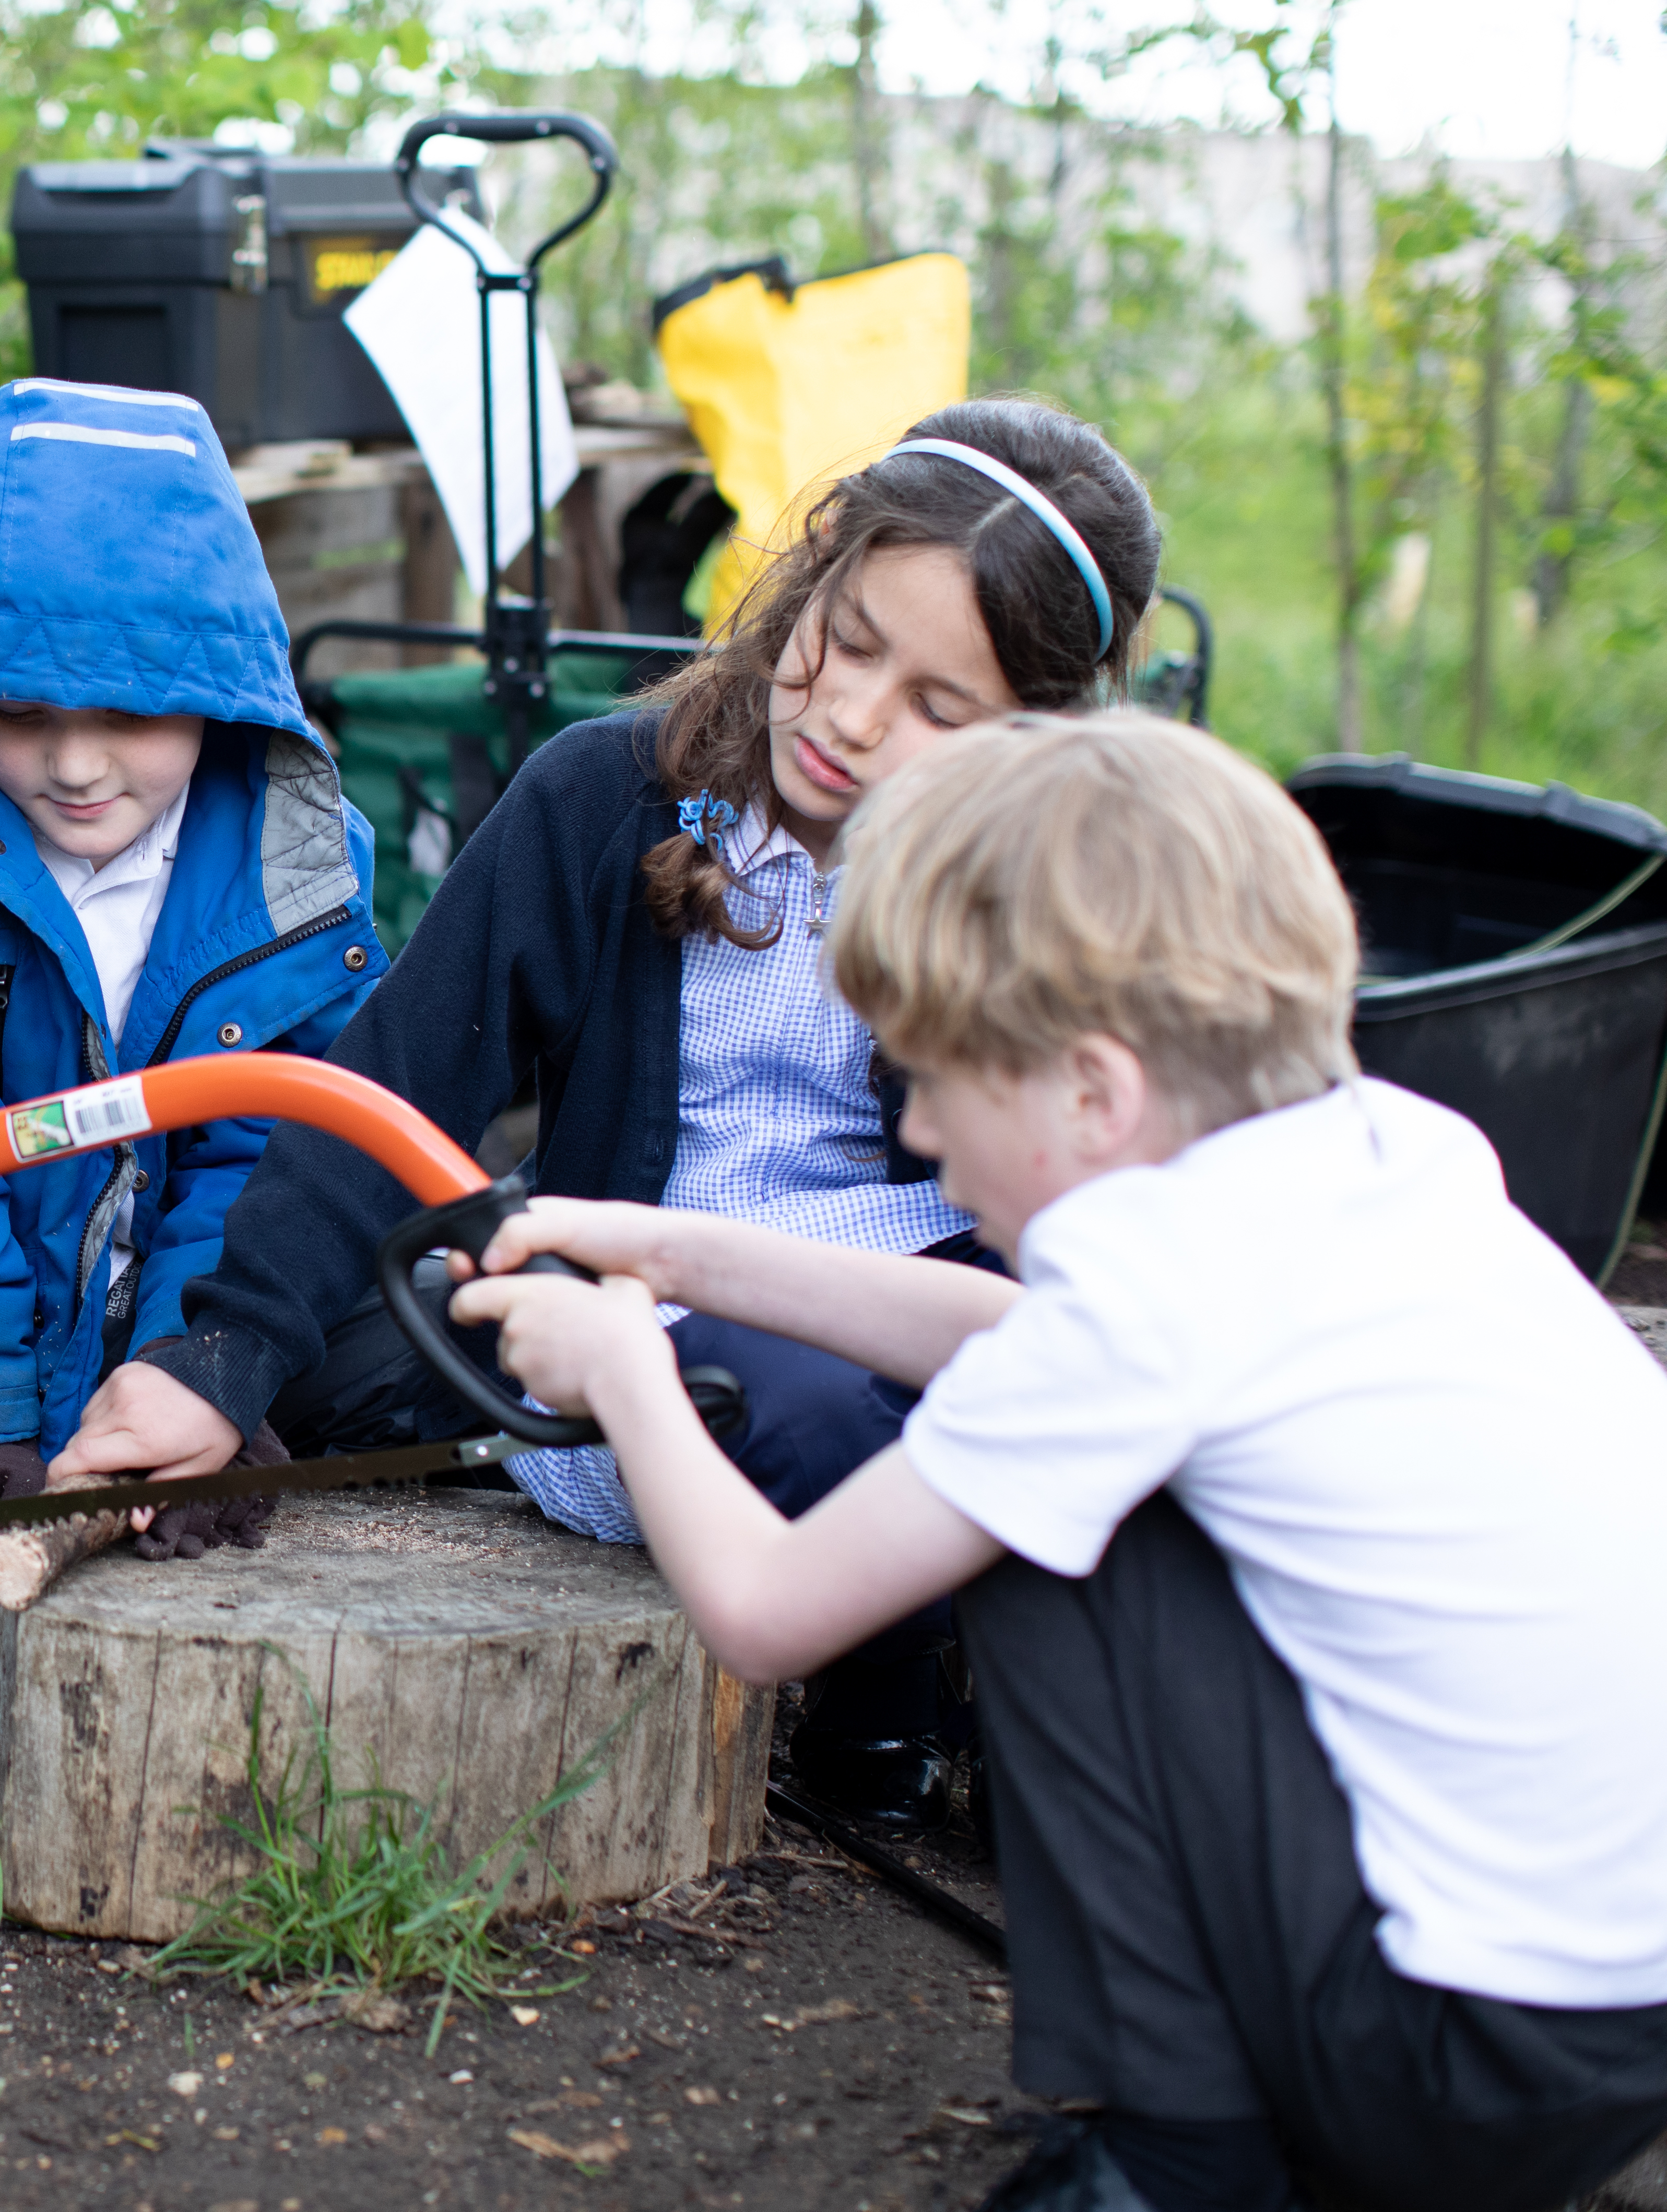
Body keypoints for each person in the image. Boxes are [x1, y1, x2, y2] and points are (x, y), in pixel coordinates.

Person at [448, 712, 1667, 2212]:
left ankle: (1177, 2161)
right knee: (1060, 1469)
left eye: (942, 1080)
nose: (922, 1130)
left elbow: (768, 1613)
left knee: (1037, 1533)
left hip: (1455, 2067)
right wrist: (674, 1249)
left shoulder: (1152, 1301)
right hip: (1612, 2034)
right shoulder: (1380, 1154)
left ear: (1094, 1092)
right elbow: (1013, 1335)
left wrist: (631, 1373)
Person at [52, 398, 1158, 1824]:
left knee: (809, 1404)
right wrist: (226, 1354)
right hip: (633, 1277)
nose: (850, 717)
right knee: (329, 1340)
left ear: (1035, 743)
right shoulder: (612, 793)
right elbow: (395, 1083)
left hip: (895, 1304)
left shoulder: (1052, 893)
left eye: (941, 711)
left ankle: (882, 1727)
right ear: (813, 568)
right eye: (854, 637)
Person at [0, 377, 385, 1551]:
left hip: (169, 1379)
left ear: (220, 699)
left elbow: (267, 1150)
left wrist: (199, 1374)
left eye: (134, 716)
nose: (77, 762)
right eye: (22, 708)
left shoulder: (293, 861)